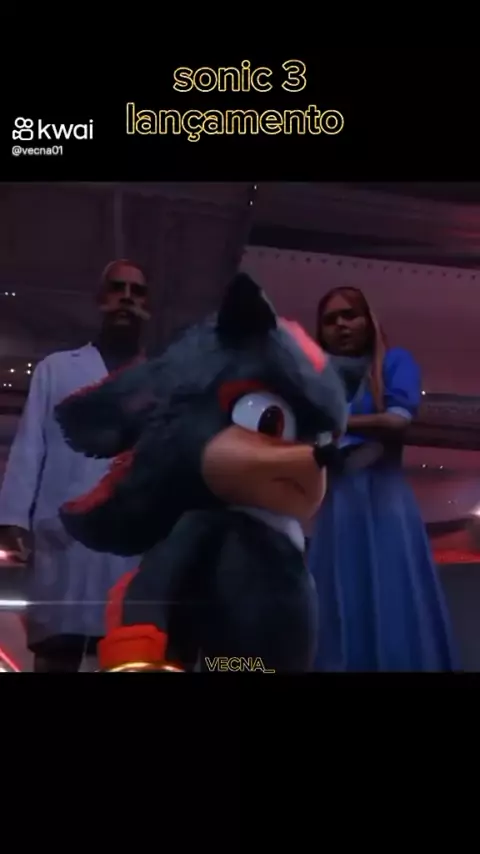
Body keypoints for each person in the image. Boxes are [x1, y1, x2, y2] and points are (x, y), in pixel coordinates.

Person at [0, 259, 151, 672]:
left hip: (129, 543)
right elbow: (30, 443)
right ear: (101, 300)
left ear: (146, 306)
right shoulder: (57, 368)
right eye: (117, 288)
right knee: (56, 652)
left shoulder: (160, 382)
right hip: (63, 536)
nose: (126, 298)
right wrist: (13, 518)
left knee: (125, 650)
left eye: (137, 292)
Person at [307, 286, 458, 672]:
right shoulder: (317, 379)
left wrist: (339, 424)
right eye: (331, 319)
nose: (341, 324)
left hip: (384, 499)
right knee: (337, 596)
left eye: (350, 315)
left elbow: (397, 420)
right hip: (339, 501)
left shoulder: (394, 361)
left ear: (369, 321)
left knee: (393, 593)